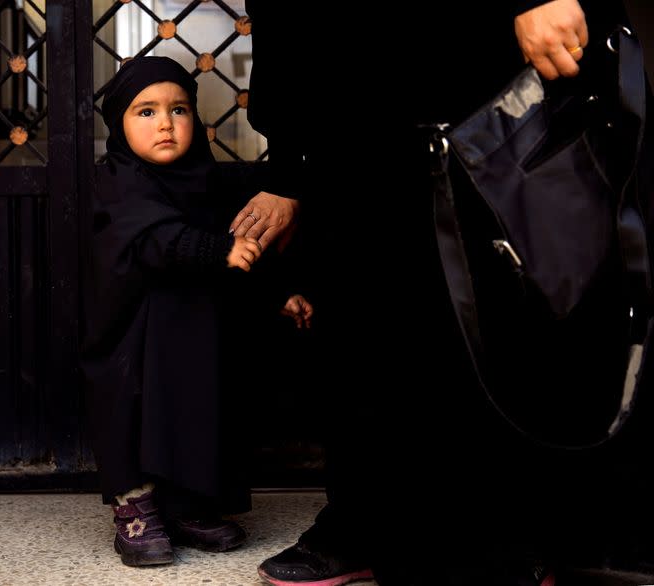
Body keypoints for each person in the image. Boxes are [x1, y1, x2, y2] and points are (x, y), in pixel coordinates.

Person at [235, 1, 647, 585]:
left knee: (495, 307)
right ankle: (370, 521)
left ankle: (524, 537)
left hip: (483, 89)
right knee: (365, 326)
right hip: (347, 118)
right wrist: (288, 172)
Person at [80, 55, 313, 568]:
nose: (165, 123)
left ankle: (184, 503)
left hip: (193, 339)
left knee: (194, 410)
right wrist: (218, 251)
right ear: (119, 122)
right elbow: (157, 240)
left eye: (179, 109)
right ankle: (135, 507)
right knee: (138, 410)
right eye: (146, 111)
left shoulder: (204, 180)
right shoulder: (120, 181)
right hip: (135, 340)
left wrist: (278, 290)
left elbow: (245, 244)